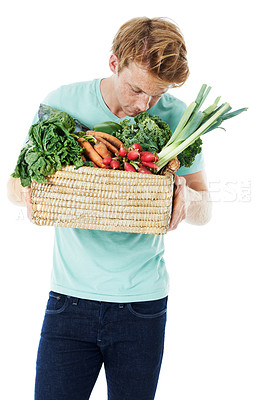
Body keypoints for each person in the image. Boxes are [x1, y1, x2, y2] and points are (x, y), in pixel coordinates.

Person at [7, 17, 212, 400]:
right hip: (68, 300)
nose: (144, 105)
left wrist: (188, 198)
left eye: (156, 95)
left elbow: (206, 208)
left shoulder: (179, 116)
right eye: (136, 90)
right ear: (114, 62)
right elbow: (14, 186)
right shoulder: (62, 102)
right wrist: (34, 191)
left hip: (142, 306)